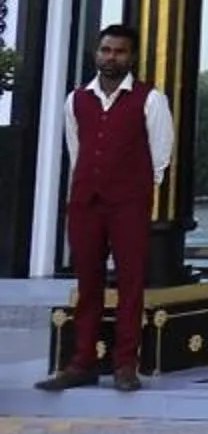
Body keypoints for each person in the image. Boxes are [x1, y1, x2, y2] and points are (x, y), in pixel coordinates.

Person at [36, 24, 175, 394]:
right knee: (87, 284)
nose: (111, 57)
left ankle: (126, 365)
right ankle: (82, 362)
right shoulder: (76, 99)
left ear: (132, 57)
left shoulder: (150, 99)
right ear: (96, 53)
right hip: (85, 204)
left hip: (128, 204)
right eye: (105, 50)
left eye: (119, 51)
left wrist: (139, 192)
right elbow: (76, 149)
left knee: (130, 284)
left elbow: (160, 155)